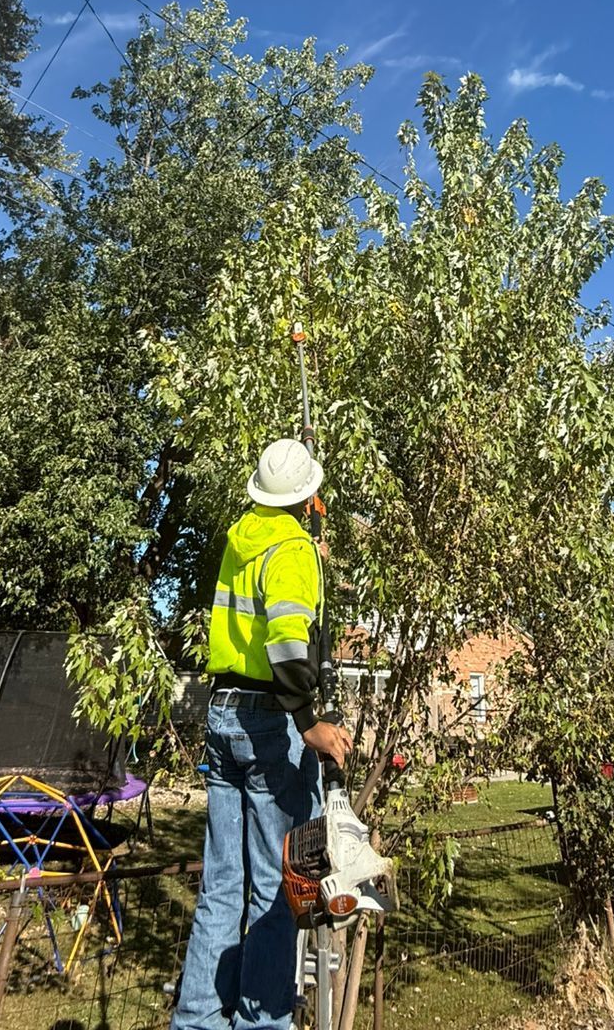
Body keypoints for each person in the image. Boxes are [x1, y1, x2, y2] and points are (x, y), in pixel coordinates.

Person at [173, 438, 353, 1030]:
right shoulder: (293, 549)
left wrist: (308, 559)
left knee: (223, 884)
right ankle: (260, 1021)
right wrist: (310, 723)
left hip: (223, 711)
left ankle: (198, 1019)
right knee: (279, 888)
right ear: (307, 497)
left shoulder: (243, 538)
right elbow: (284, 642)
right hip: (271, 722)